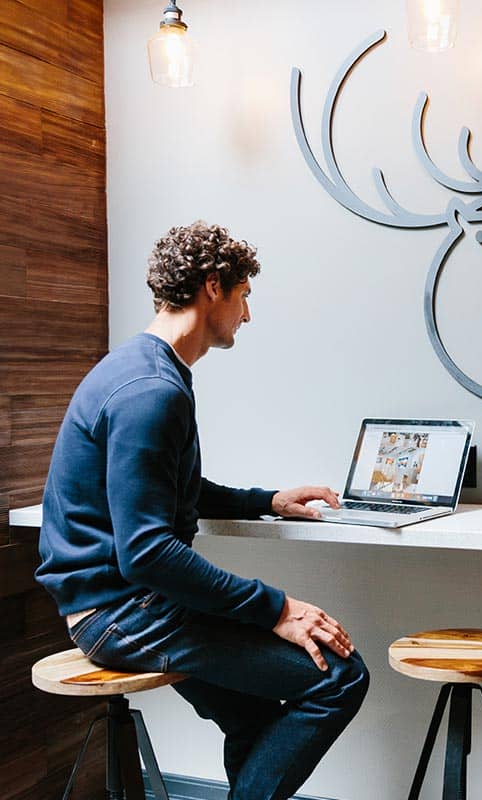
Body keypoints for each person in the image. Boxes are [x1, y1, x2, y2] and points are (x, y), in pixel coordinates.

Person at [35, 221, 370, 800]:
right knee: (341, 678)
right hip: (125, 614)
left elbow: (168, 489)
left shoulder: (142, 370)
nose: (247, 315)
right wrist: (278, 608)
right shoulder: (151, 392)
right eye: (244, 297)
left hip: (121, 604)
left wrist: (266, 501)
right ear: (213, 287)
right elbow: (147, 553)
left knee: (252, 716)